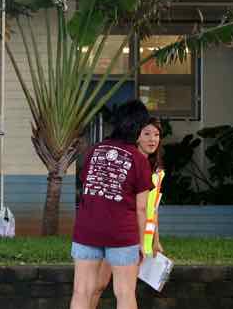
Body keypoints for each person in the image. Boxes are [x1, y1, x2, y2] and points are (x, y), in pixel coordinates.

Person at [69, 100, 154, 309]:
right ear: (138, 127)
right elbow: (142, 208)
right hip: (121, 234)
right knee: (125, 293)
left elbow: (87, 187)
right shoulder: (139, 160)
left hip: (87, 229)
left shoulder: (94, 151)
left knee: (81, 291)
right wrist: (143, 244)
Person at [90, 117, 165, 308]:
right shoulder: (126, 164)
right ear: (136, 137)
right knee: (100, 285)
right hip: (119, 233)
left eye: (156, 135)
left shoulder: (157, 171)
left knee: (125, 291)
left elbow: (152, 209)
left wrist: (155, 240)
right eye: (147, 134)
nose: (152, 139)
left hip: (139, 237)